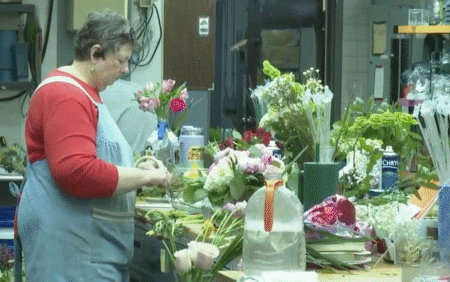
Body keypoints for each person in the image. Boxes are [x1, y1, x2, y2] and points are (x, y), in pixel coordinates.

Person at [16, 10, 170, 281]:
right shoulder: (66, 96)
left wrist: (134, 169)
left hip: (87, 250)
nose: (125, 70)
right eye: (121, 60)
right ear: (96, 54)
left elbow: (92, 157)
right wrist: (145, 177)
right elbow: (76, 171)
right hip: (70, 252)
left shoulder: (86, 93)